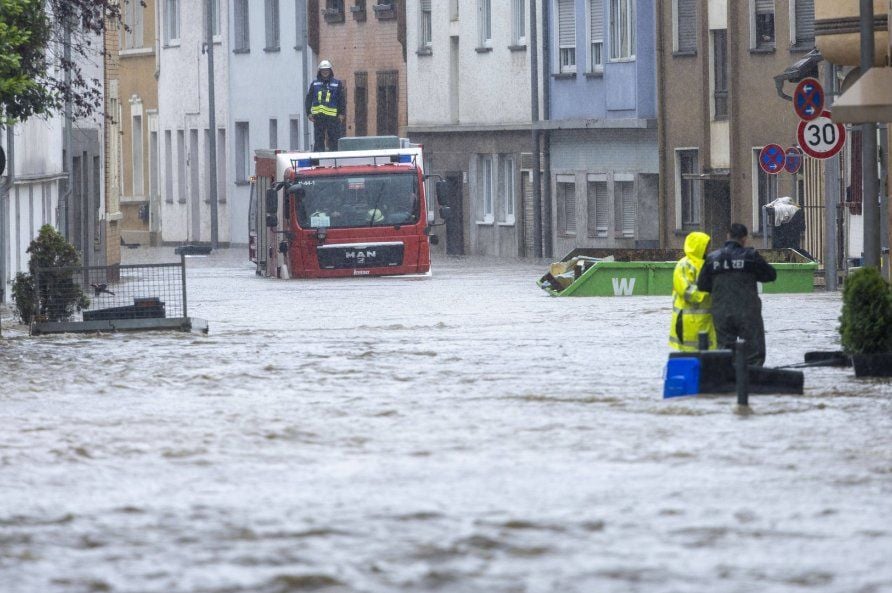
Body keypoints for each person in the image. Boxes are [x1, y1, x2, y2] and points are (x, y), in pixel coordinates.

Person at [697, 223, 777, 366]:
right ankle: (751, 381)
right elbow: (771, 275)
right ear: (744, 238)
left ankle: (727, 382)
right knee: (754, 353)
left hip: (721, 312)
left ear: (728, 236)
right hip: (747, 312)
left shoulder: (712, 258)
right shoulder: (751, 256)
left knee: (725, 351)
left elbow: (702, 285)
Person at [669, 231, 716, 352]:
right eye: (706, 246)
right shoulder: (684, 265)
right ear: (698, 247)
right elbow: (686, 291)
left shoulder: (708, 263)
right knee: (690, 359)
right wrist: (709, 294)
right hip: (687, 323)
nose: (708, 249)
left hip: (705, 322)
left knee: (707, 358)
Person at [305, 60, 347, 152]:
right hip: (318, 117)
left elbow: (341, 100)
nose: (325, 72)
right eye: (323, 70)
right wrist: (308, 113)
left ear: (330, 71)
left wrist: (341, 113)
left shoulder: (337, 84)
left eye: (327, 70)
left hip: (333, 118)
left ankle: (334, 159)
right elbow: (309, 99)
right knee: (319, 140)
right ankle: (318, 161)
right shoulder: (314, 84)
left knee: (334, 139)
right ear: (319, 71)